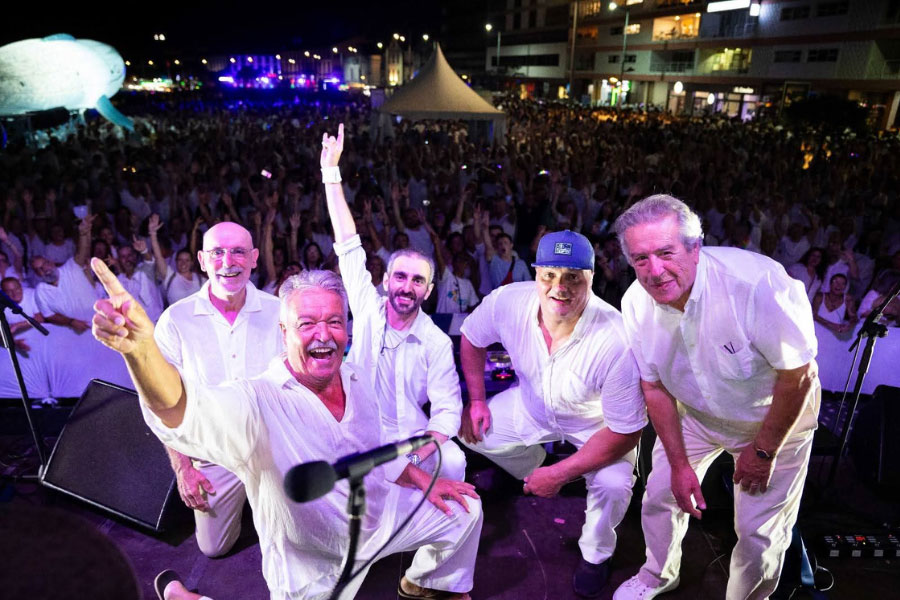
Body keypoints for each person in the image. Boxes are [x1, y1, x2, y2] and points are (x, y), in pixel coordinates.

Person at [90, 261, 482, 600]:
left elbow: (370, 449)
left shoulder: (356, 377)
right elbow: (181, 408)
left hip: (379, 521)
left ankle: (423, 585)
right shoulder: (257, 400)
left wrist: (421, 480)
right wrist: (142, 354)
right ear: (284, 331)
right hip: (315, 565)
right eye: (307, 323)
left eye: (333, 322)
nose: (323, 335)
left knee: (466, 511)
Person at [611, 195, 820, 600]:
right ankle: (657, 575)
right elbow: (653, 387)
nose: (655, 271)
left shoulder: (757, 284)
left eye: (666, 253)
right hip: (695, 415)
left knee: (759, 534)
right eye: (640, 259)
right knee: (660, 495)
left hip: (774, 420)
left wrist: (763, 451)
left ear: (695, 247)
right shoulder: (635, 303)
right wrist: (678, 464)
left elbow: (799, 376)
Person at [458, 228, 646, 598]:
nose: (559, 287)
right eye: (549, 275)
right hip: (532, 406)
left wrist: (559, 476)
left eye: (573, 277)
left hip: (597, 425)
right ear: (536, 274)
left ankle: (595, 554)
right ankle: (536, 466)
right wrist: (477, 399)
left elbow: (626, 432)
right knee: (473, 433)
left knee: (612, 484)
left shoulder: (617, 339)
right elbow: (471, 338)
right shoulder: (508, 302)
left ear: (591, 277)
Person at [321, 124, 469, 492]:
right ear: (386, 281)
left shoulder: (435, 342)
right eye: (400, 277)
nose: (407, 286)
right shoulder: (367, 309)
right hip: (361, 432)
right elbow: (348, 244)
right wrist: (331, 174)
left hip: (413, 441)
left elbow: (448, 411)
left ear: (428, 291)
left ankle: (441, 519)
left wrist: (415, 459)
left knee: (454, 459)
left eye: (418, 281)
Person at [153, 222, 283, 558]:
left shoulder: (279, 312)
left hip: (272, 447)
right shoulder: (175, 320)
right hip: (213, 451)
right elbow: (162, 402)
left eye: (238, 251)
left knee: (297, 533)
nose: (228, 261)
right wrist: (183, 467)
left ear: (254, 258)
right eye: (217, 252)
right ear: (202, 260)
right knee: (214, 548)